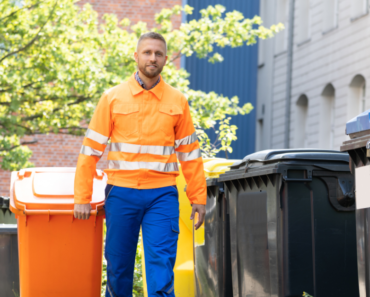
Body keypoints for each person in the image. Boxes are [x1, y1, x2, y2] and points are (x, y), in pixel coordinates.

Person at [73, 32, 207, 297]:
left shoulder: (177, 101)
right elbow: (89, 152)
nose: (152, 58)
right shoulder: (112, 98)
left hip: (162, 195)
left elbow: (190, 154)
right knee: (118, 270)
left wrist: (198, 197)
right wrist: (82, 197)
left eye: (158, 54)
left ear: (166, 60)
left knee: (161, 271)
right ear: (136, 56)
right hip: (121, 193)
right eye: (147, 52)